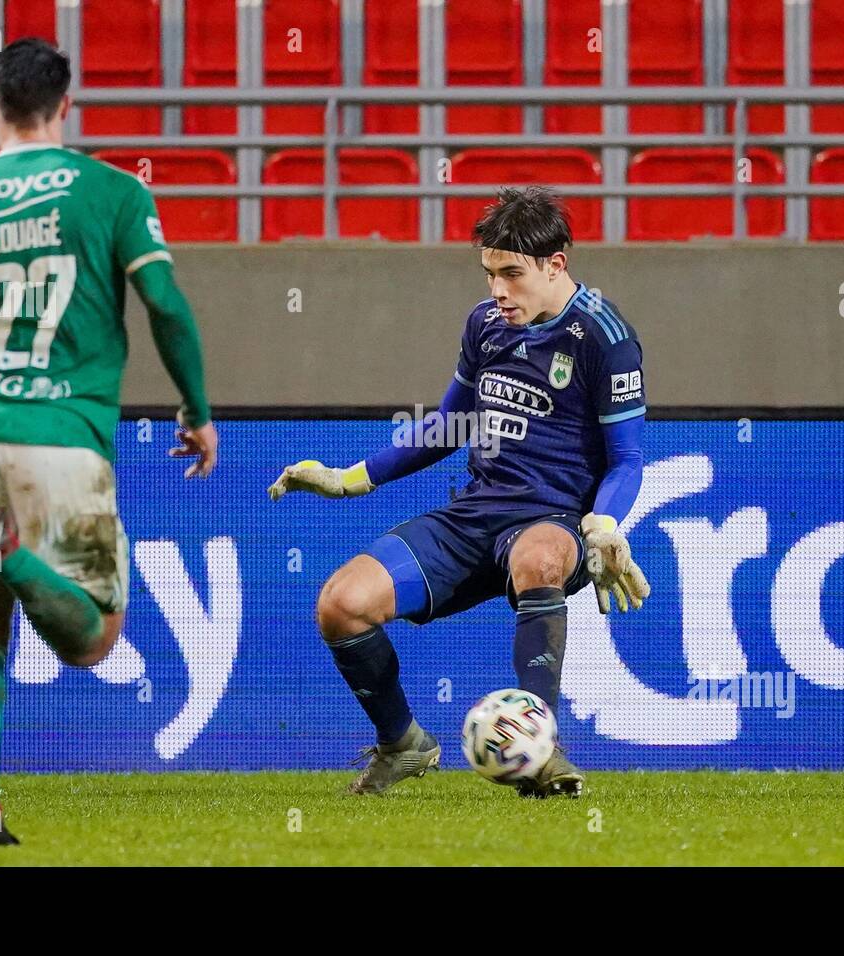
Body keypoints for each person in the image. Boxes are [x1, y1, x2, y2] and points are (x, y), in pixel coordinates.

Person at [0, 37, 217, 845]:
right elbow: (164, 303)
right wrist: (196, 407)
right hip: (62, 431)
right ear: (67, 105)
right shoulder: (110, 191)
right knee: (95, 638)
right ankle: (15, 551)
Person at [269, 186, 649, 797]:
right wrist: (349, 479)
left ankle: (542, 746)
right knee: (341, 603)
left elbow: (627, 459)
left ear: (557, 264)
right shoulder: (486, 325)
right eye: (489, 273)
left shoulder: (604, 337)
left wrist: (602, 524)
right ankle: (404, 745)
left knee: (536, 556)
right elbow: (447, 426)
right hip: (474, 515)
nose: (498, 291)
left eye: (511, 275)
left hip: (554, 524)